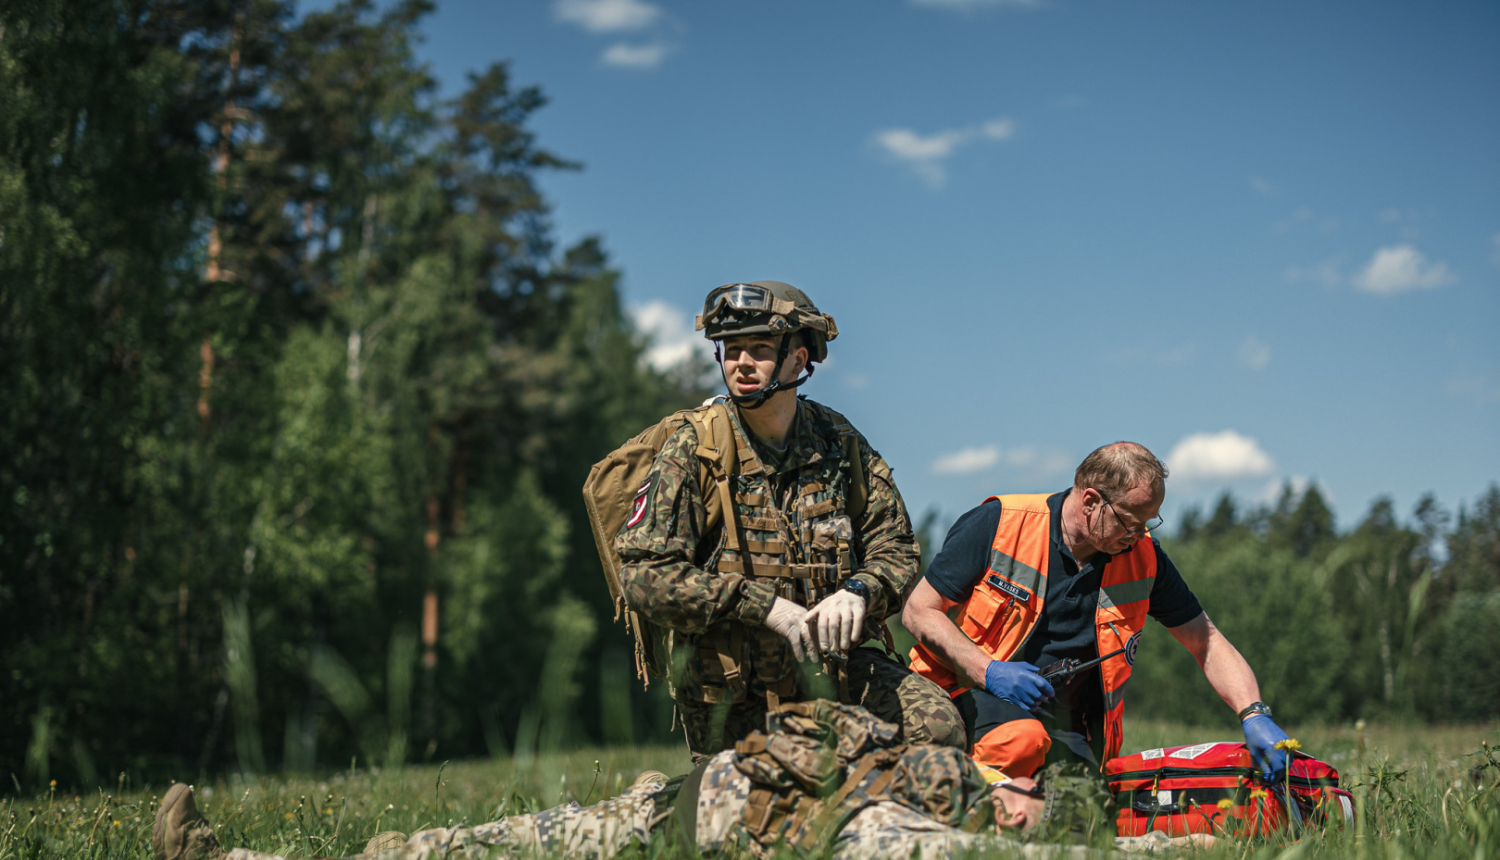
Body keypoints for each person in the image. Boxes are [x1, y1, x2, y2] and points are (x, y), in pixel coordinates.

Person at [151, 701, 1209, 860]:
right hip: (669, 799)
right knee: (477, 839)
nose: (1020, 805)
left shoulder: (919, 820)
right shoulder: (936, 754)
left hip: (698, 834)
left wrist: (1157, 841)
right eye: (1026, 789)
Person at [616, 281, 963, 760]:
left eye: (759, 349)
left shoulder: (839, 443)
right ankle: (663, 796)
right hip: (736, 696)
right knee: (759, 812)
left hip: (838, 675)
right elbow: (641, 573)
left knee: (938, 729)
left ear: (798, 360)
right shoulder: (695, 448)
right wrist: (763, 607)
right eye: (732, 350)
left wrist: (859, 591)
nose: (741, 363)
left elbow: (897, 547)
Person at [902, 442, 1294, 783]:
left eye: (1148, 523)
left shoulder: (1144, 558)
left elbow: (1204, 641)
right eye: (1130, 522)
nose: (1139, 535)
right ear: (1090, 501)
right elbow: (919, 611)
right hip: (960, 697)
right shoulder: (1002, 522)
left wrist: (1253, 713)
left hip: (1065, 728)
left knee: (1086, 812)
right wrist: (987, 670)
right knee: (1020, 741)